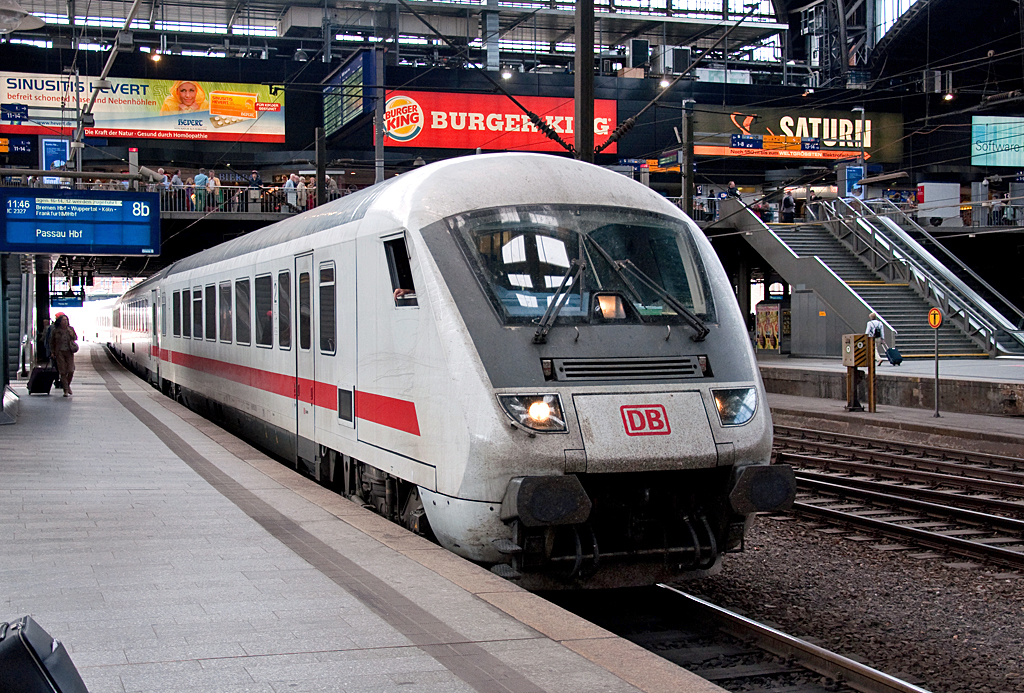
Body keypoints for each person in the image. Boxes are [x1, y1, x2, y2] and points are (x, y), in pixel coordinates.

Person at [48, 313, 77, 397]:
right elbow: (51, 342)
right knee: (63, 371)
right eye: (64, 320)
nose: (65, 322)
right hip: (59, 352)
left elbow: (75, 338)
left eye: (66, 320)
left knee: (71, 370)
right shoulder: (55, 330)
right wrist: (52, 352)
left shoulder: (70, 329)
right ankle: (65, 389)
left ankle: (67, 385)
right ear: (60, 322)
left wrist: (72, 334)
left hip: (69, 351)